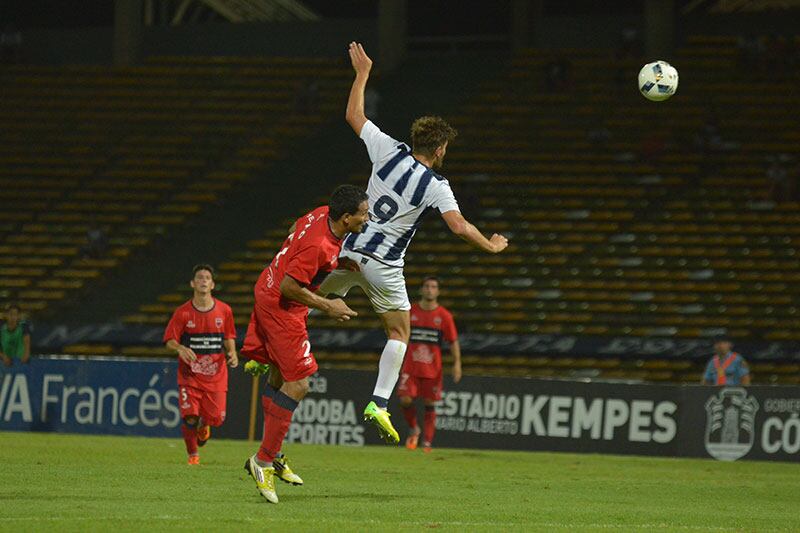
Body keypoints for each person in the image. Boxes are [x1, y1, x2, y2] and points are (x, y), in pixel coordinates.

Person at [318, 42, 509, 444]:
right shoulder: (438, 185)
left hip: (348, 251)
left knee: (302, 300)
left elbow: (354, 114)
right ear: (439, 149)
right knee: (399, 334)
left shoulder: (388, 149)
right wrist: (489, 246)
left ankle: (266, 353)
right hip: (384, 265)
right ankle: (378, 401)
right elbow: (457, 226)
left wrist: (362, 73)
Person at [241, 184, 368, 504]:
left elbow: (294, 228)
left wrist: (337, 263)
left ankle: (274, 452)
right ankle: (263, 460)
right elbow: (289, 287)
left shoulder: (321, 214)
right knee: (299, 385)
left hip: (266, 284)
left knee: (279, 378)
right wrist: (330, 306)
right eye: (363, 214)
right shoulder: (320, 246)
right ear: (346, 218)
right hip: (281, 305)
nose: (367, 219)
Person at [163, 264, 238, 465]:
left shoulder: (224, 310)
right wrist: (180, 348)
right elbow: (169, 340)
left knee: (217, 419)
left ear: (212, 284)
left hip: (216, 375)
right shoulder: (183, 313)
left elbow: (229, 336)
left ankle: (205, 424)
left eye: (207, 278)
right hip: (190, 376)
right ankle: (193, 455)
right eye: (199, 277)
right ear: (192, 283)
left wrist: (232, 352)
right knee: (189, 417)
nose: (203, 280)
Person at [398, 277, 460, 453]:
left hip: (433, 369)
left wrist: (457, 364)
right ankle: (414, 428)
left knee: (429, 403)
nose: (430, 290)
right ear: (421, 290)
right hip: (411, 367)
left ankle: (427, 442)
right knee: (405, 399)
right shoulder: (411, 312)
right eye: (427, 286)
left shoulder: (444, 316)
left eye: (433, 287)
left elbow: (453, 341)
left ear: (438, 291)